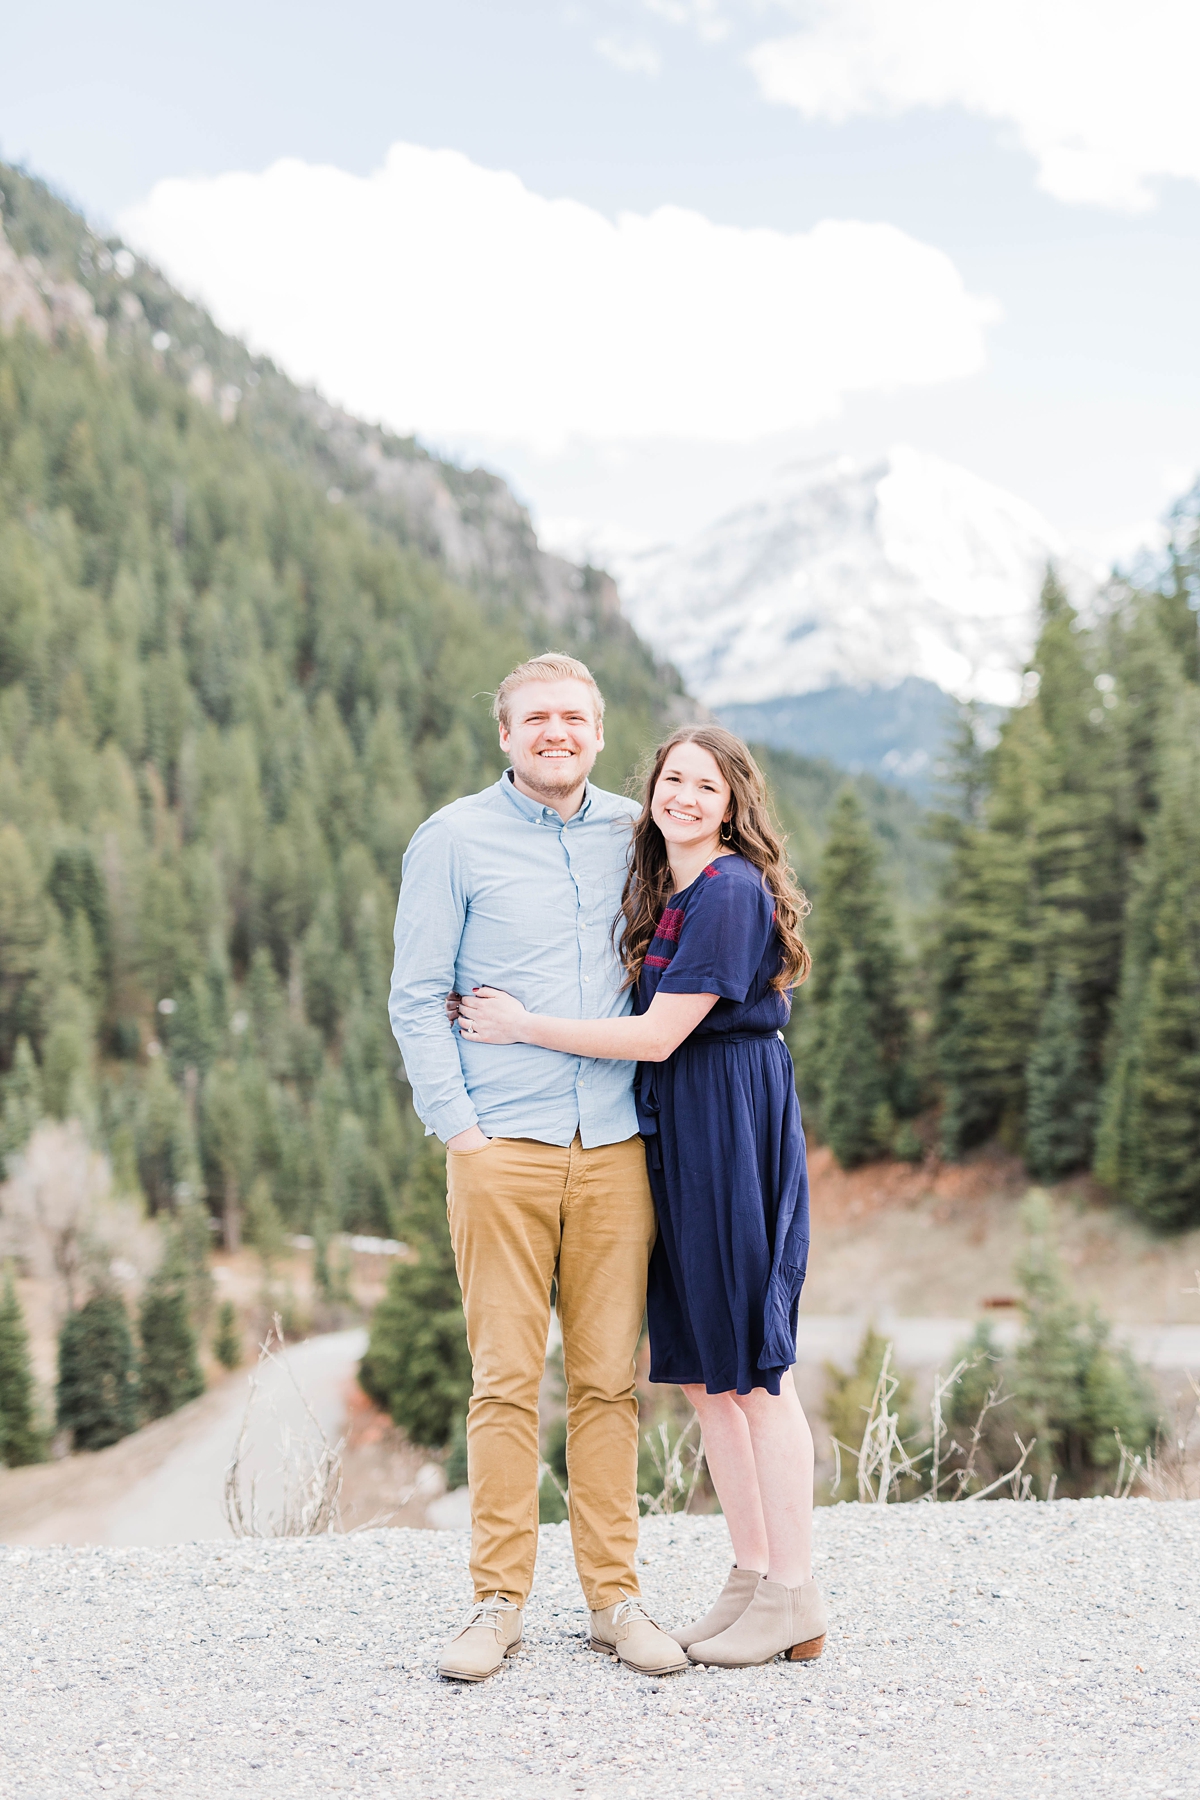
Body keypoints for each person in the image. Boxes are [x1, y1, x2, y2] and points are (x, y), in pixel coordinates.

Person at [458, 723, 826, 1668]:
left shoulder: (731, 890)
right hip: (682, 1128)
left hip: (729, 1124)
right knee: (707, 1374)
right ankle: (749, 1579)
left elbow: (662, 1035)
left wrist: (523, 1025)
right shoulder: (678, 891)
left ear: (735, 803)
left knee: (753, 1367)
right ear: (651, 791)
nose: (687, 797)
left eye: (708, 785)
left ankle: (795, 1593)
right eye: (673, 780)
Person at [389, 652, 688, 1682]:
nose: (555, 733)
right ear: (505, 735)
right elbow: (415, 996)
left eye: (573, 717)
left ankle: (615, 1599)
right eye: (535, 719)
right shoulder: (453, 839)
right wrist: (460, 1132)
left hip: (616, 1150)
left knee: (610, 1385)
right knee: (506, 1382)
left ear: (598, 732)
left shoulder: (635, 835)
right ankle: (495, 1604)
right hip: (501, 1151)